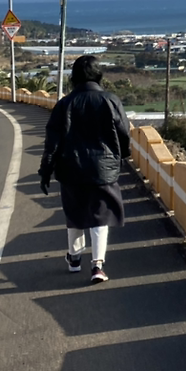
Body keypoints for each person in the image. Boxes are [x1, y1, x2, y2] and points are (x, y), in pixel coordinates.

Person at [38, 54, 131, 283]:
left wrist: (46, 171)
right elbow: (124, 134)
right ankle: (97, 265)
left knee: (75, 214)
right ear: (99, 76)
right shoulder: (111, 100)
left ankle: (74, 259)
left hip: (71, 168)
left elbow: (52, 143)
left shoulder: (64, 104)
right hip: (104, 169)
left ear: (74, 77)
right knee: (101, 216)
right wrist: (120, 156)